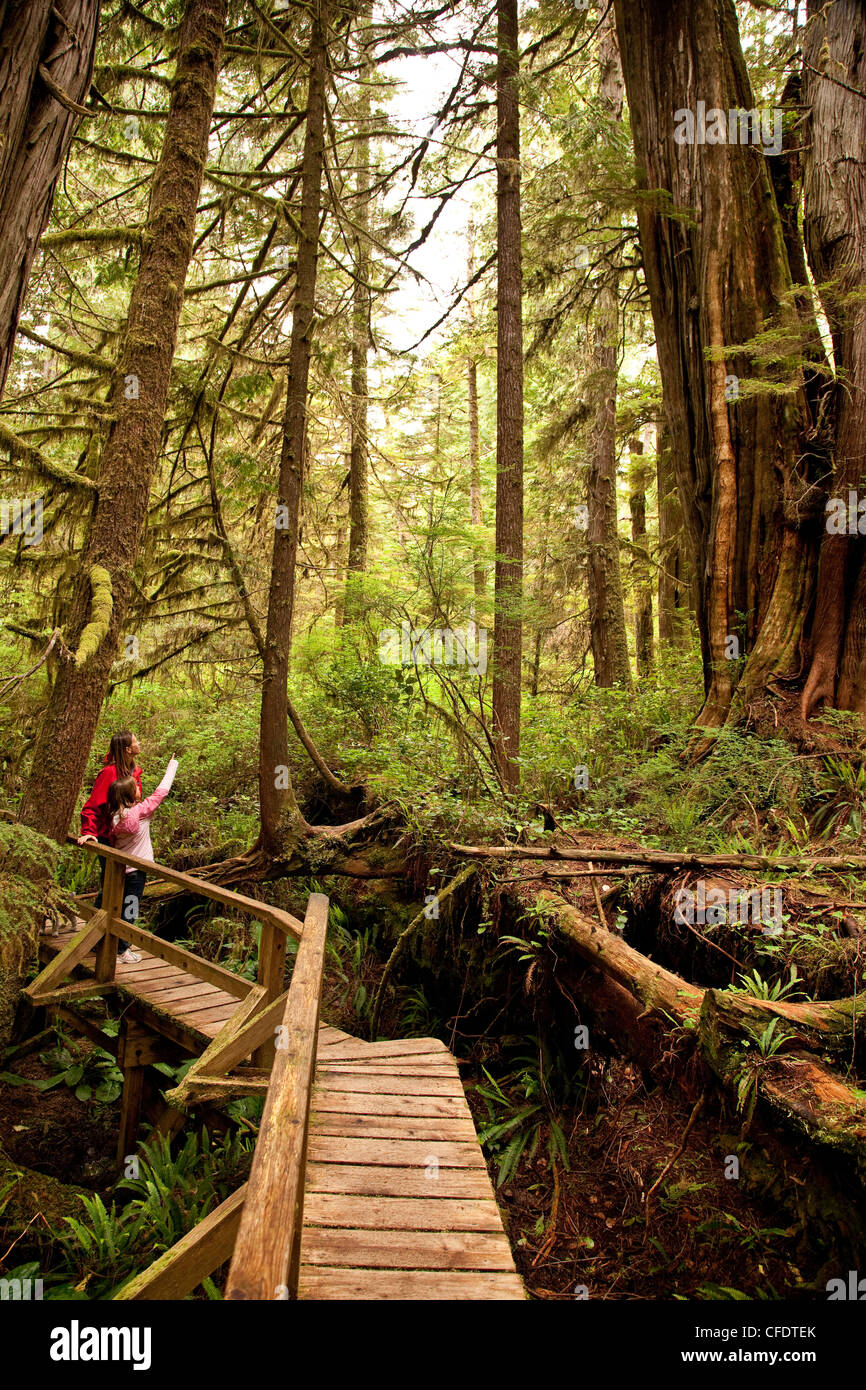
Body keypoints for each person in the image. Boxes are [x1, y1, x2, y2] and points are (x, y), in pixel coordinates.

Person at [77, 731, 143, 962]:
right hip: (109, 840)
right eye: (135, 741)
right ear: (126, 748)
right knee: (114, 886)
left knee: (123, 889)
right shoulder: (109, 774)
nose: (139, 743)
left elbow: (135, 806)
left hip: (131, 844)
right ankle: (111, 942)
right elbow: (92, 807)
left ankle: (104, 938)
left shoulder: (133, 772)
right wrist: (89, 832)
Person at [108, 757, 179, 951]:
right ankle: (123, 949)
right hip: (137, 872)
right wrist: (172, 766)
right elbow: (161, 792)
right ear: (130, 795)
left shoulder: (114, 817)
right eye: (136, 788)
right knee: (131, 908)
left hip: (119, 869)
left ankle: (113, 943)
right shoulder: (140, 812)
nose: (140, 789)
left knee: (117, 905)